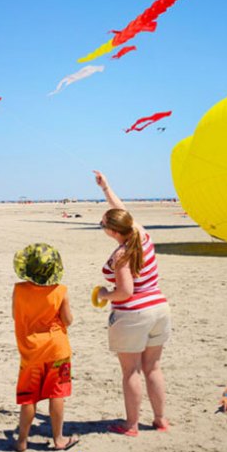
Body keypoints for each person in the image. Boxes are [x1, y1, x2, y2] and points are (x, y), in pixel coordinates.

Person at [93, 171, 170, 436]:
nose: (102, 226)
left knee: (131, 372)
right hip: (160, 309)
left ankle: (132, 425)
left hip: (135, 313)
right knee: (153, 368)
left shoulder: (122, 254)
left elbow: (125, 292)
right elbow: (121, 210)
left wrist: (104, 294)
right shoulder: (141, 234)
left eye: (102, 224)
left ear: (113, 232)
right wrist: (106, 188)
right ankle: (160, 420)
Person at [12, 243, 79, 452]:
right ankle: (58, 439)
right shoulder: (60, 291)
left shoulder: (19, 289)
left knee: (28, 398)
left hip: (31, 351)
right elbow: (68, 320)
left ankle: (22, 440)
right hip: (57, 348)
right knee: (56, 394)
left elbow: (16, 316)